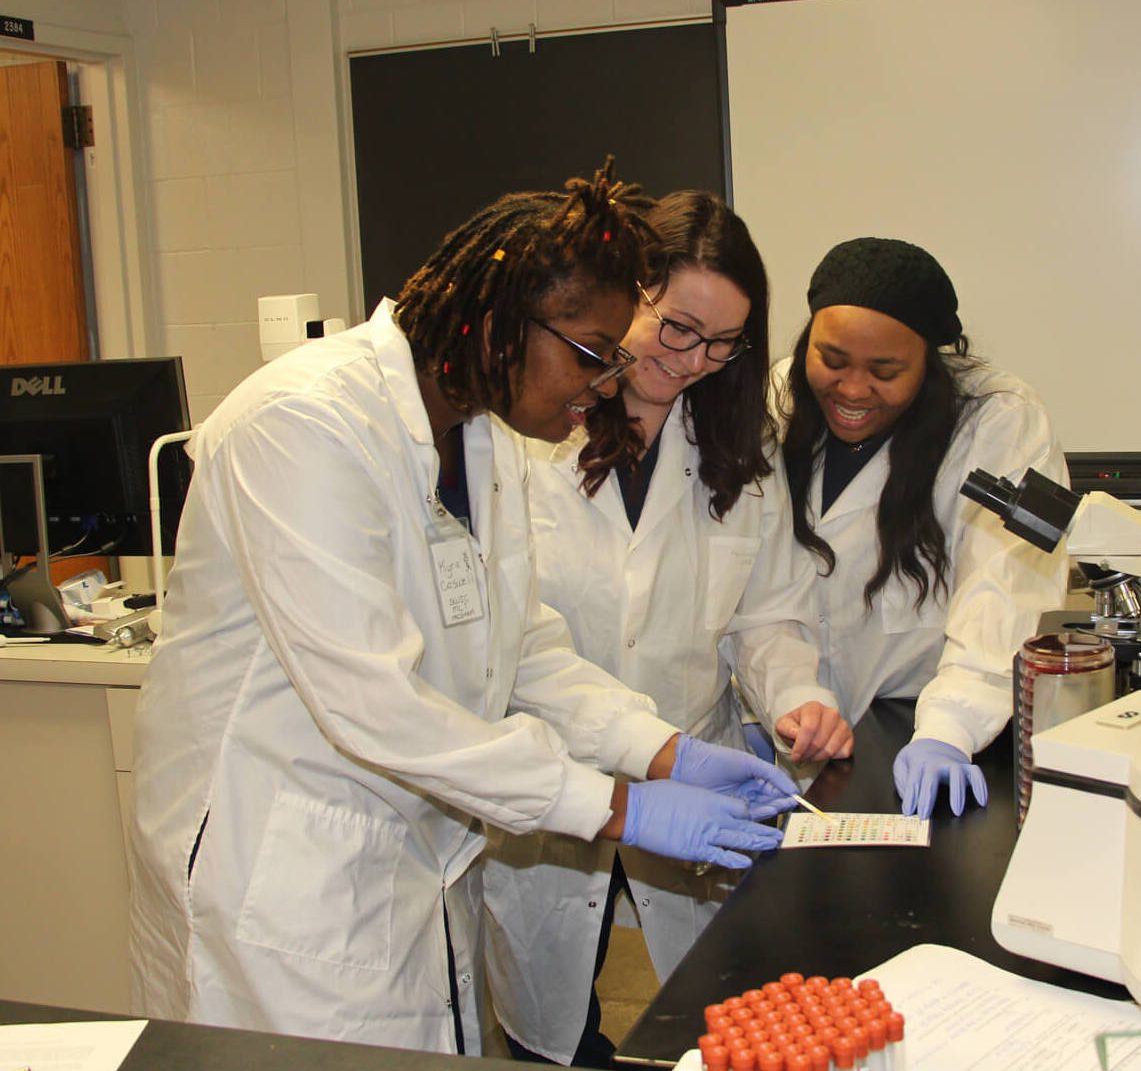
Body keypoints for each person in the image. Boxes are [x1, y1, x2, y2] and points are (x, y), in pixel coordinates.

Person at [125, 164, 799, 1056]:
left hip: (408, 863)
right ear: (496, 321)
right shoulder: (304, 425)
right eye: (595, 355)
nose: (607, 385)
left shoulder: (485, 434)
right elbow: (375, 704)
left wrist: (665, 752)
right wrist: (615, 807)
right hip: (277, 868)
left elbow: (520, 648)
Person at [483, 191, 850, 1066]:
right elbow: (512, 645)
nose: (694, 362)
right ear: (626, 293)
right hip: (546, 781)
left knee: (720, 1022)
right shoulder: (524, 437)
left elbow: (763, 614)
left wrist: (796, 696)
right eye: (678, 328)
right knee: (555, 1035)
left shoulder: (733, 446)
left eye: (724, 345)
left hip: (694, 772)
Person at [774, 236, 1069, 820]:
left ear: (933, 360)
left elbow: (1006, 586)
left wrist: (950, 727)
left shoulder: (1003, 418)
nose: (853, 390)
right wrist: (780, 692)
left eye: (885, 371)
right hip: (790, 725)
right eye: (831, 360)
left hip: (916, 728)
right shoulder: (776, 398)